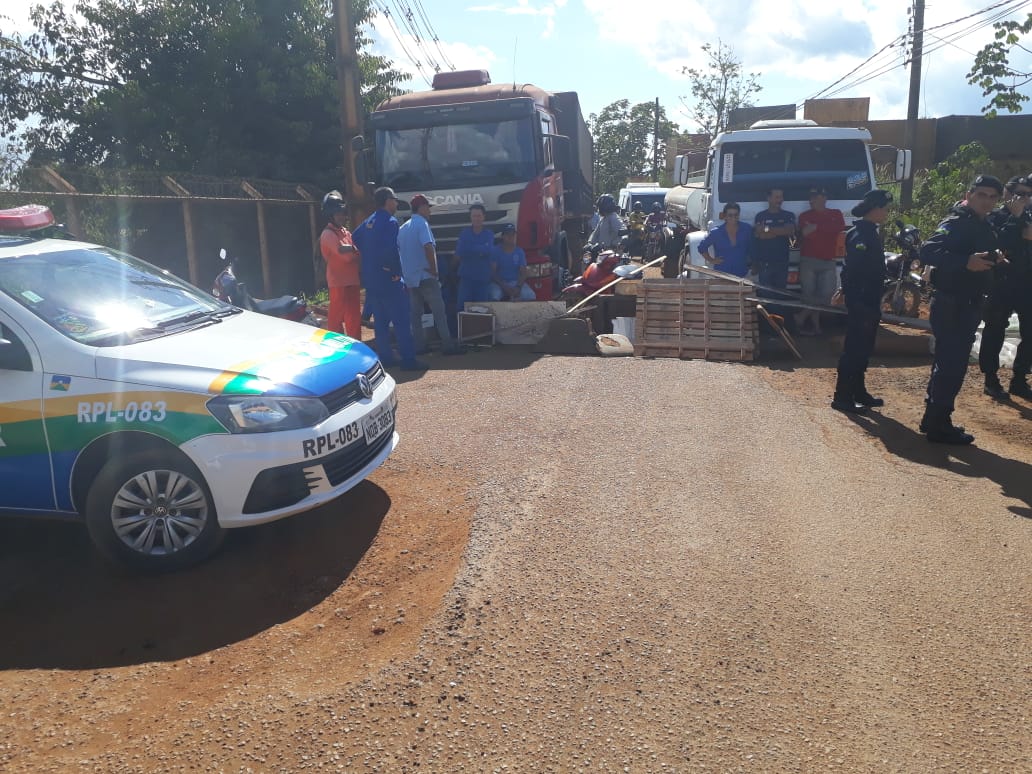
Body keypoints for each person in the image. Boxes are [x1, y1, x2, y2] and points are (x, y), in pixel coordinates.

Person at [918, 174, 1003, 444]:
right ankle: (939, 424)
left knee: (949, 364)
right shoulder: (955, 222)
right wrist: (964, 262)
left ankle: (933, 418)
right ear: (970, 194)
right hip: (952, 303)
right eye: (982, 195)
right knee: (952, 365)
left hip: (969, 302)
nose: (986, 201)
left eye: (992, 197)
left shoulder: (983, 224)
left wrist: (994, 258)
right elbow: (928, 251)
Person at [351, 186, 428, 371]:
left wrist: (370, 257)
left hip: (372, 280)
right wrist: (395, 272)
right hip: (389, 280)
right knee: (402, 321)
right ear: (387, 201)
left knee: (381, 323)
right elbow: (391, 250)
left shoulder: (369, 220)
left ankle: (386, 358)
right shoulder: (390, 222)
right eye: (394, 199)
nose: (395, 203)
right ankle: (409, 361)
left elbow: (355, 237)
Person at [831, 189, 892, 414]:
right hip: (862, 300)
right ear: (875, 209)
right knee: (855, 349)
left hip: (869, 298)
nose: (886, 213)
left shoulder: (868, 232)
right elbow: (851, 269)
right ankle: (843, 396)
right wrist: (845, 291)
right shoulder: (861, 235)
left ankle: (858, 391)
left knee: (864, 348)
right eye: (884, 209)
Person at [980, 174, 1032, 399]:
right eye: (1021, 194)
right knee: (994, 330)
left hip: (1027, 283)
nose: (1026, 199)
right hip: (1001, 283)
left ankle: (1020, 378)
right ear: (1007, 195)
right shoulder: (996, 217)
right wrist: (1016, 218)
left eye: (1029, 195)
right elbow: (995, 243)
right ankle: (990, 378)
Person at [398, 194, 465, 356]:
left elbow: (399, 252)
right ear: (421, 208)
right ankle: (448, 345)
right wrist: (434, 269)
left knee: (415, 314)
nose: (429, 211)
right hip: (426, 276)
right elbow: (428, 247)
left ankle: (419, 346)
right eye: (428, 207)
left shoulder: (403, 228)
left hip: (410, 278)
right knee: (439, 312)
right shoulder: (422, 224)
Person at [796, 186, 845, 336]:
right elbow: (805, 234)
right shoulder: (804, 216)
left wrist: (817, 227)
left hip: (828, 260)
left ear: (824, 198)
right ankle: (816, 328)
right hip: (808, 260)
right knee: (809, 296)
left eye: (817, 197)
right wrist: (825, 229)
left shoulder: (835, 213)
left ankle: (800, 317)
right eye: (812, 198)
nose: (814, 200)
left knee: (827, 295)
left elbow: (839, 226)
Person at [319, 191, 361, 338]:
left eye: (342, 213)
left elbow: (353, 252)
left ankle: (356, 346)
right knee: (336, 319)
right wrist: (355, 251)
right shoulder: (328, 234)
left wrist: (352, 250)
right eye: (338, 214)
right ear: (330, 215)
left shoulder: (345, 232)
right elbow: (348, 258)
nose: (342, 216)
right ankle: (334, 347)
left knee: (354, 318)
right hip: (338, 283)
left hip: (352, 280)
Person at [752, 188, 797, 323]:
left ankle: (779, 325)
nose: (780, 200)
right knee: (766, 296)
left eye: (781, 197)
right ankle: (768, 324)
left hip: (782, 262)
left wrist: (769, 230)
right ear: (769, 198)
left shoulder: (788, 215)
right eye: (777, 197)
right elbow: (759, 234)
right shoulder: (760, 216)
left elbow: (789, 231)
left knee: (780, 296)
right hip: (764, 263)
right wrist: (778, 231)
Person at [454, 203, 495, 311]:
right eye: (474, 216)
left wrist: (470, 248)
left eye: (479, 216)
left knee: (482, 310)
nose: (476, 218)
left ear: (483, 217)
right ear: (470, 217)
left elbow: (489, 250)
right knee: (462, 309)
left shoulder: (489, 234)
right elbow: (460, 251)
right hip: (466, 279)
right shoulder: (464, 233)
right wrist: (481, 249)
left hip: (483, 279)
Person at [698, 202, 752, 278]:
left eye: (736, 215)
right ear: (725, 216)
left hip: (742, 274)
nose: (733, 217)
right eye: (730, 215)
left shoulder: (747, 229)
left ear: (739, 215)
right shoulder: (716, 232)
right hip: (722, 274)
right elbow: (701, 247)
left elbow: (753, 247)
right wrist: (711, 260)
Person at [489, 223, 536, 301]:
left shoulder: (519, 251)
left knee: (530, 295)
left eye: (513, 234)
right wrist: (505, 287)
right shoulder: (495, 251)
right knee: (494, 295)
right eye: (508, 234)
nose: (510, 237)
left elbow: (523, 273)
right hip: (499, 283)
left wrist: (518, 287)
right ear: (502, 236)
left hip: (515, 282)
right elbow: (492, 273)